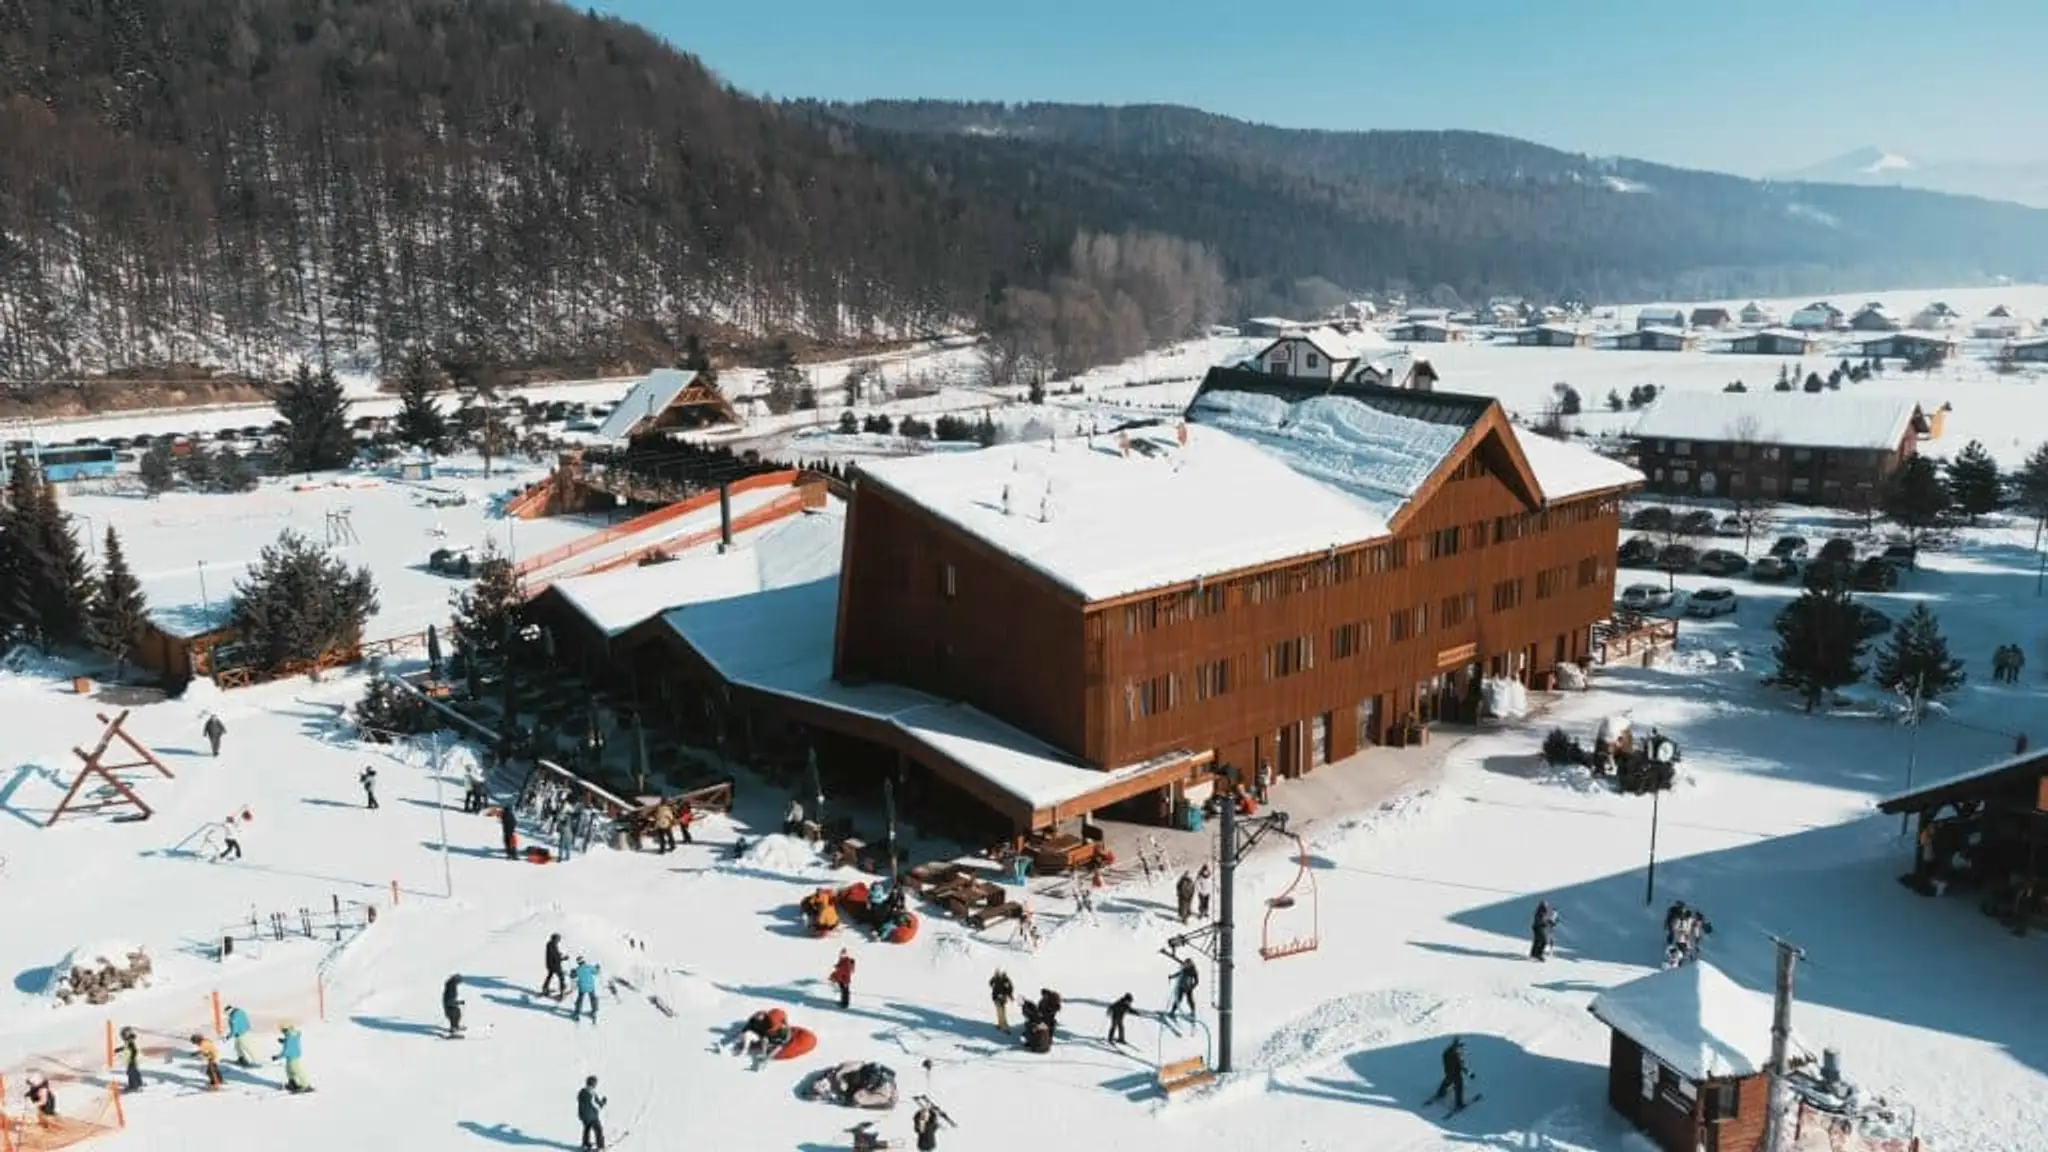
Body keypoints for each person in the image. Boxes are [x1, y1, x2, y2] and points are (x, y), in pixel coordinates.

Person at [1427, 1037, 1469, 1110]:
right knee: (1458, 1086)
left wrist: (1467, 1072)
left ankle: (1441, 1093)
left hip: (1452, 1072)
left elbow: (1461, 1063)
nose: (1462, 1047)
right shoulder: (1450, 1053)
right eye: (1460, 1045)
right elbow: (1451, 1063)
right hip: (1453, 1072)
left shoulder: (1456, 1052)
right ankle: (1458, 1104)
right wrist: (1453, 1072)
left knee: (1448, 1081)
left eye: (1462, 1046)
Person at [277, 1024, 310, 1093]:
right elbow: (291, 1040)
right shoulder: (291, 1035)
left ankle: (305, 1086)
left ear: (287, 1029)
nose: (283, 1032)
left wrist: (277, 1057)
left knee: (297, 1071)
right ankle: (292, 1083)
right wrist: (284, 1041)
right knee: (289, 1071)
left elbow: (287, 1051)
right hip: (290, 1058)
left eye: (284, 1030)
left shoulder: (290, 1038)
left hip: (293, 1058)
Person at [577, 1075, 607, 1151]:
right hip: (592, 1117)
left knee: (587, 1129)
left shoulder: (582, 1092)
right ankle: (600, 1146)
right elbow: (597, 1104)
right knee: (598, 1130)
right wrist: (603, 1103)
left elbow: (581, 1104)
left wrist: (581, 1115)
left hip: (584, 1116)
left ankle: (585, 1144)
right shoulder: (592, 1094)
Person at [571, 958, 601, 1023]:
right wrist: (598, 967)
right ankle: (594, 1012)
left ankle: (577, 1013)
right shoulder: (589, 967)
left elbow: (573, 976)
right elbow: (596, 972)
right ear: (584, 961)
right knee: (593, 998)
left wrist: (572, 972)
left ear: (578, 963)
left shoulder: (577, 969)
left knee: (580, 999)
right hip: (591, 986)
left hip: (582, 987)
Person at [118, 1026, 143, 1092]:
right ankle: (139, 1083)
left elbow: (134, 1051)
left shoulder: (130, 1042)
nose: (122, 1037)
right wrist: (119, 1049)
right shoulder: (129, 1041)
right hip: (131, 1060)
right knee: (135, 1072)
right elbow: (126, 1047)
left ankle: (133, 1086)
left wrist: (132, 1058)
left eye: (123, 1035)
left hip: (132, 1060)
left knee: (131, 1072)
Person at [989, 968, 1014, 1032]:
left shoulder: (1004, 980)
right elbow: (991, 983)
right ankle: (1002, 1024)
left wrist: (1009, 995)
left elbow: (1009, 988)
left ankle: (1003, 1026)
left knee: (1001, 1012)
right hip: (998, 998)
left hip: (1001, 998)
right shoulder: (997, 979)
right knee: (1000, 1011)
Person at [543, 933, 568, 999]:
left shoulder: (550, 944)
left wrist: (559, 954)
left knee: (549, 976)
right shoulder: (553, 945)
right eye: (558, 939)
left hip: (549, 964)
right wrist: (563, 958)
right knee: (561, 977)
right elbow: (555, 957)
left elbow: (553, 954)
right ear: (555, 939)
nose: (559, 941)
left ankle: (545, 988)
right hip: (555, 965)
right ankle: (562, 993)